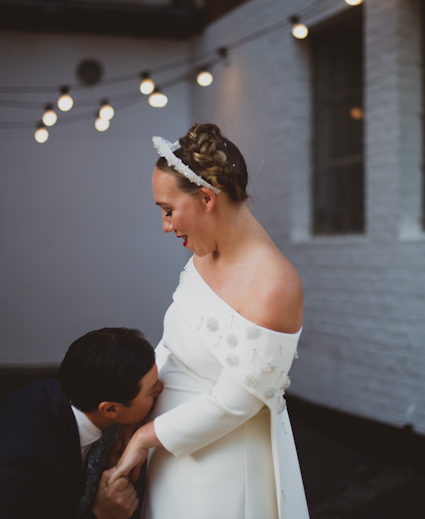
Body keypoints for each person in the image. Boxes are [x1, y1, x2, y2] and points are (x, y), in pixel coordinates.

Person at [110, 123, 308, 519]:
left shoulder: (274, 286)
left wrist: (147, 437)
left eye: (169, 211)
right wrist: (135, 410)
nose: (166, 226)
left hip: (223, 470)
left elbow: (237, 401)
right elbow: (174, 344)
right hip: (170, 457)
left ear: (205, 198)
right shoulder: (202, 256)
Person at [0, 327, 163, 519]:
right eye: (152, 391)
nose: (161, 389)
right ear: (109, 409)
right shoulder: (21, 467)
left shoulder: (59, 393)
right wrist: (100, 514)